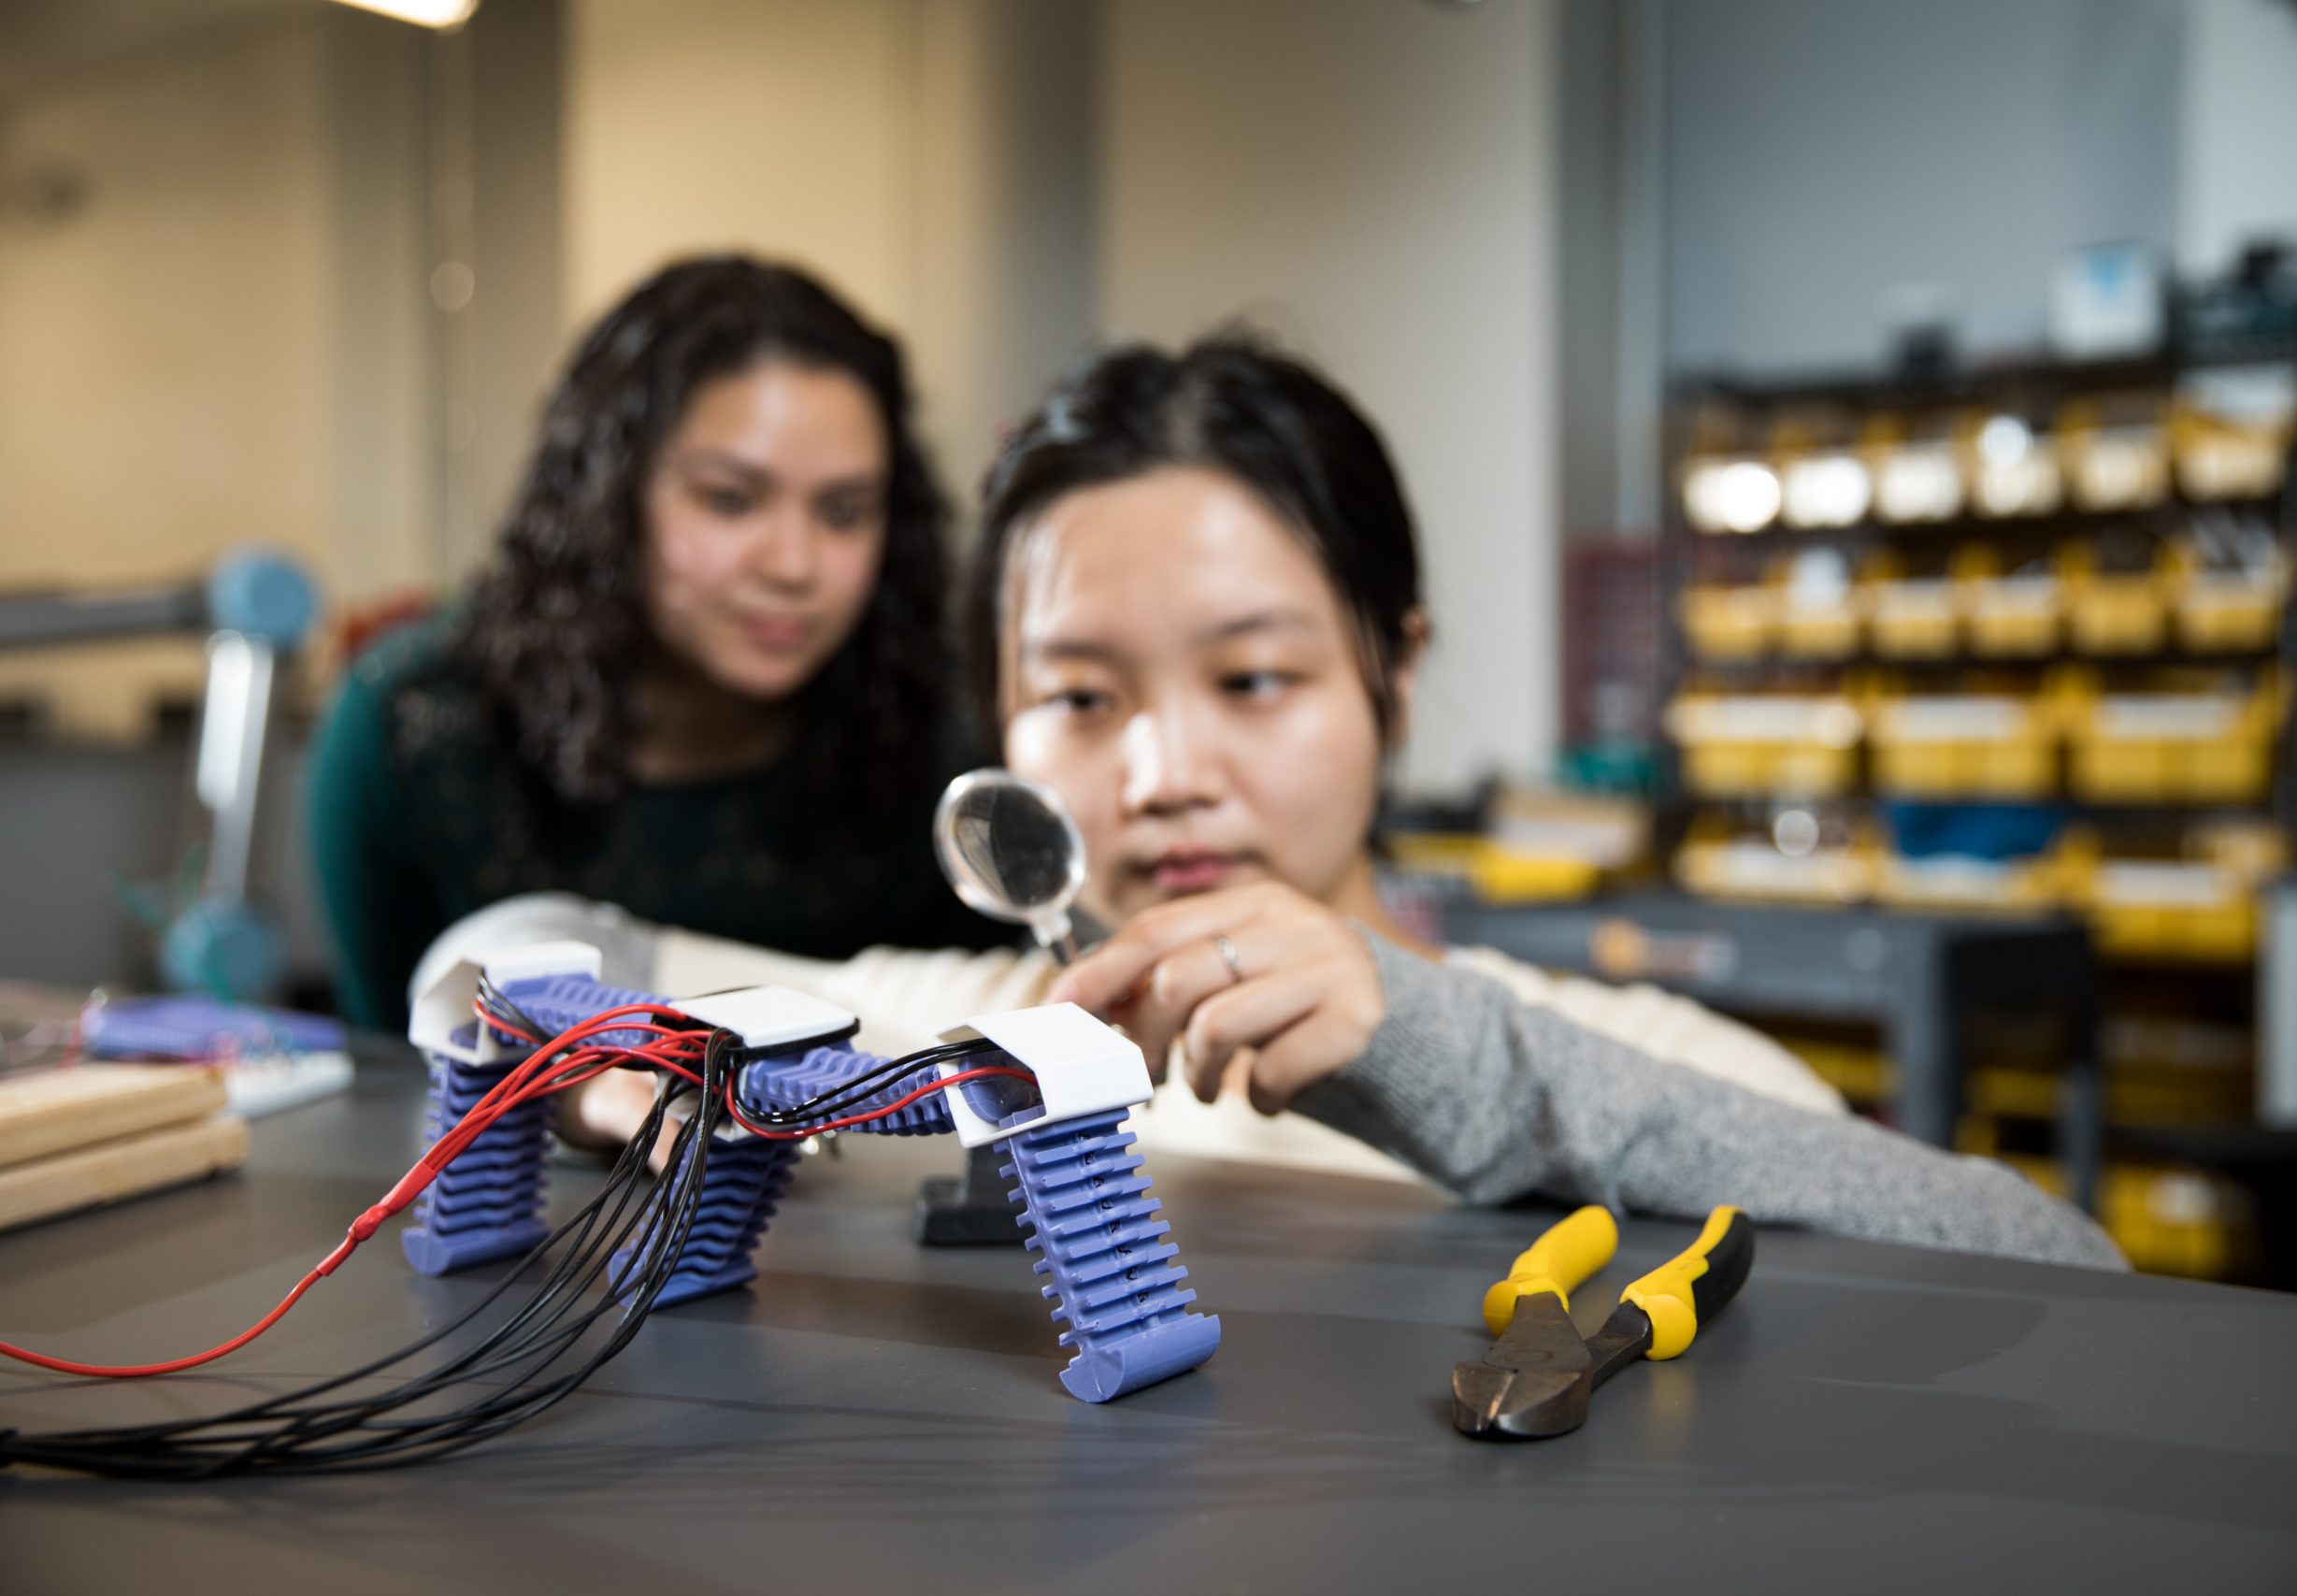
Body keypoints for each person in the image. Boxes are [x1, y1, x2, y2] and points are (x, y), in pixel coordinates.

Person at [463, 333, 2121, 1271]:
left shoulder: (1600, 1064)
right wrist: (594, 1051)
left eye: (1254, 680)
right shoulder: (949, 1028)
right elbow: (513, 942)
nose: (1166, 770)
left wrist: (1434, 1050)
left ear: (1395, 676)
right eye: (1080, 696)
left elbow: (2059, 1269)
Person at [309, 255, 1003, 1031]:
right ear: (607, 497)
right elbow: (396, 1094)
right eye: (731, 500)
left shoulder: (953, 732)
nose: (793, 564)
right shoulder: (415, 729)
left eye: (843, 511)